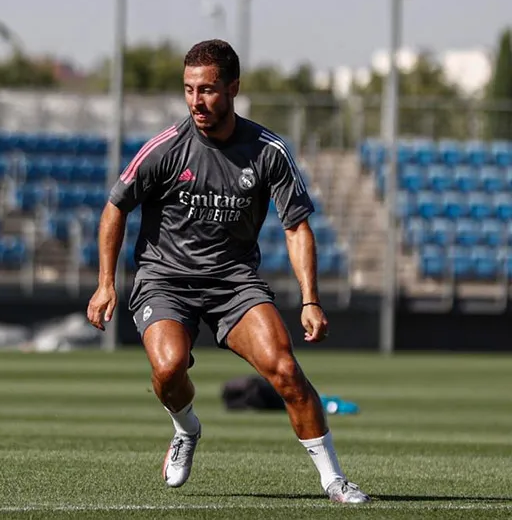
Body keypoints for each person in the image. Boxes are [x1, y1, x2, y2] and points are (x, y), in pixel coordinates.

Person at [86, 39, 370, 504]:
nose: (196, 100)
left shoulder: (268, 151)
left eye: (208, 89)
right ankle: (186, 428)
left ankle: (333, 479)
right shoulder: (165, 148)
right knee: (169, 367)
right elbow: (114, 209)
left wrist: (311, 299)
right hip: (165, 280)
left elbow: (297, 227)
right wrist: (104, 284)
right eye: (188, 89)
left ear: (234, 88)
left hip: (234, 283)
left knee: (285, 371)